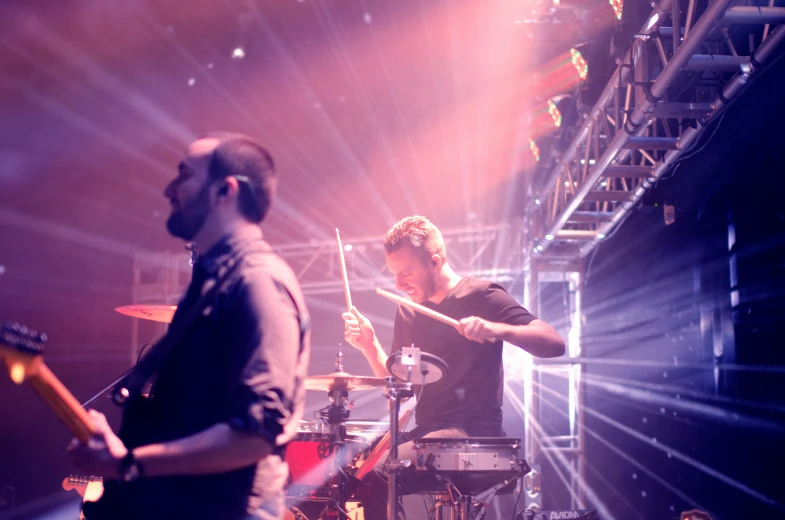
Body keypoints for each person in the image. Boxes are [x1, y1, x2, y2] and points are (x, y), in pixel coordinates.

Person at [68, 133, 311, 520]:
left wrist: (130, 463)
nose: (170, 189)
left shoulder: (258, 283)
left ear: (225, 191)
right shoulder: (214, 284)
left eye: (184, 175)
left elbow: (253, 434)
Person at [342, 215, 565, 517]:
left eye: (406, 272)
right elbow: (399, 387)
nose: (398, 284)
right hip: (428, 434)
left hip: (473, 432)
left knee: (381, 472)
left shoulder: (482, 295)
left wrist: (497, 329)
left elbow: (553, 342)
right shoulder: (409, 311)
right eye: (394, 274)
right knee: (349, 474)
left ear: (434, 262)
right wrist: (369, 345)